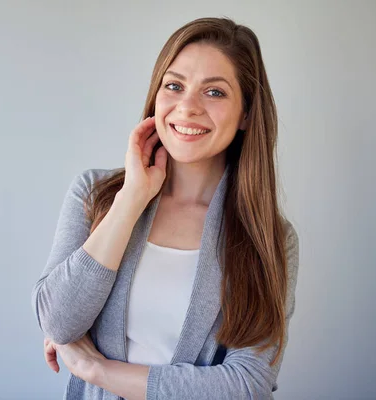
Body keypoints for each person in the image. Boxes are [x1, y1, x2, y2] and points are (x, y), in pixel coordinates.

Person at [31, 17, 299, 400]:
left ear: (246, 114)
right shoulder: (94, 194)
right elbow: (58, 321)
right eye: (174, 86)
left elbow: (246, 385)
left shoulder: (269, 237)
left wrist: (97, 369)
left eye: (215, 93)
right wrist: (131, 198)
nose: (187, 107)